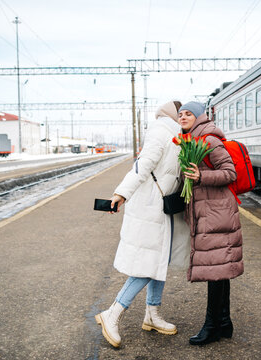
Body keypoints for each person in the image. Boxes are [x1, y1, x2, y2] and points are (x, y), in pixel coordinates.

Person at [95, 100, 190, 348]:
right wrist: (121, 194)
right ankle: (112, 313)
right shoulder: (161, 132)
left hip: (163, 208)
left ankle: (152, 314)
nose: (183, 117)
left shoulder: (177, 135)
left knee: (160, 260)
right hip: (150, 207)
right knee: (147, 265)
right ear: (172, 115)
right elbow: (142, 166)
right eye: (181, 114)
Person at [178, 101, 244, 346]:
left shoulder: (208, 139)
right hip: (208, 210)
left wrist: (201, 176)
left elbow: (230, 172)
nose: (183, 117)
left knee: (216, 270)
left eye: (188, 114)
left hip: (216, 212)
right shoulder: (189, 140)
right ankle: (224, 323)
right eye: (180, 114)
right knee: (220, 269)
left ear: (199, 117)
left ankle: (212, 326)